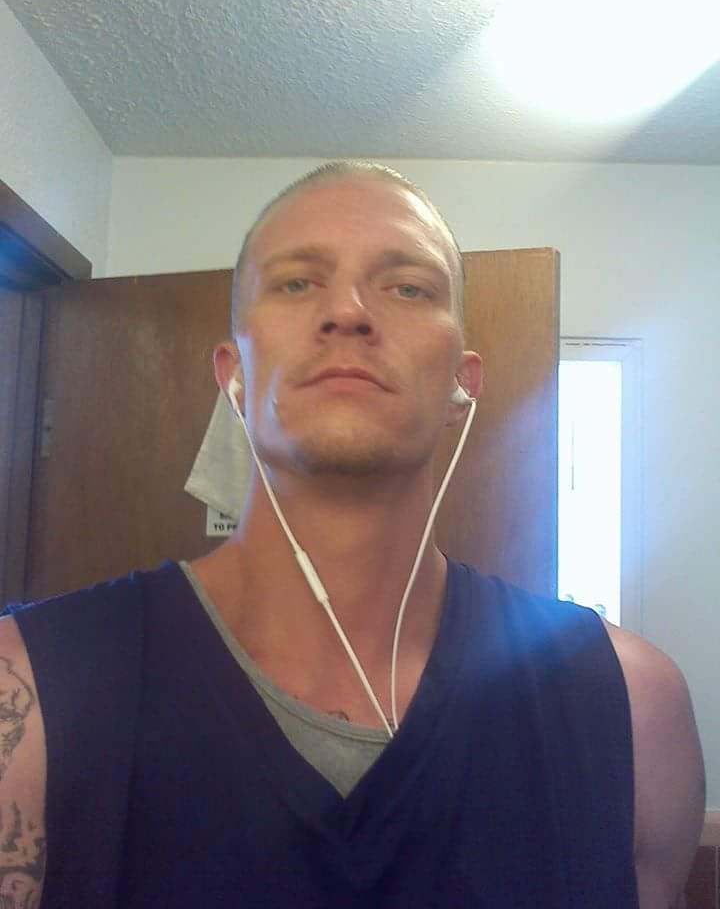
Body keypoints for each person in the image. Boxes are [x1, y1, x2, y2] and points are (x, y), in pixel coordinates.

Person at [0, 162, 705, 907]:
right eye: (297, 282)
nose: (347, 311)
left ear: (463, 384)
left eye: (407, 287)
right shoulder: (28, 690)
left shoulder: (631, 703)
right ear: (233, 375)